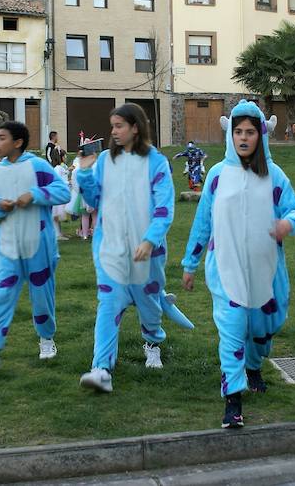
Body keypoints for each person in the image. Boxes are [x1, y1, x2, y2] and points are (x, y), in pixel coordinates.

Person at [182, 101, 295, 428]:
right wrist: (190, 263)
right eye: (238, 131)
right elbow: (202, 222)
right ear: (231, 135)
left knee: (264, 329)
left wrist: (287, 224)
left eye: (250, 131)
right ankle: (233, 399)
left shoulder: (274, 175)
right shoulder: (217, 175)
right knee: (233, 330)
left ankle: (254, 365)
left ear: (260, 135)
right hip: (226, 271)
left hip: (266, 273)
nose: (243, 137)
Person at [77, 104, 192, 393]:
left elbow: (164, 208)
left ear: (135, 127)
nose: (113, 131)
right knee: (109, 305)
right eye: (112, 126)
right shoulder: (104, 160)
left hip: (146, 252)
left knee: (149, 304)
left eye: (119, 126)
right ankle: (101, 368)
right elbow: (93, 200)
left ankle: (153, 341)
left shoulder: (156, 162)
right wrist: (85, 174)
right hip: (110, 250)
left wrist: (150, 240)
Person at [0, 121, 71, 372]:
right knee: (1, 295)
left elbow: (63, 193)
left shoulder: (37, 166)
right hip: (7, 248)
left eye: (1, 138)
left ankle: (46, 339)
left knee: (42, 296)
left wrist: (34, 195)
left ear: (17, 142)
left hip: (39, 246)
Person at [52, 149, 71, 241]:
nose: (66, 157)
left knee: (58, 215)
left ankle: (60, 232)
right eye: (64, 156)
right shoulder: (57, 168)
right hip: (57, 194)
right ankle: (57, 234)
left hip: (61, 193)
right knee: (55, 215)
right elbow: (59, 180)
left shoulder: (61, 167)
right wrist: (68, 182)